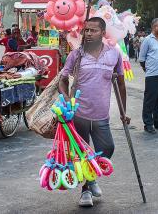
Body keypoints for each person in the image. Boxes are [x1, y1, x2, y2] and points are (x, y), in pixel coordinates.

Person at [59, 17, 129, 208]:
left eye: (93, 30)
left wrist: (124, 112)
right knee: (82, 154)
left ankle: (91, 179)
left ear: (102, 33)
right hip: (79, 114)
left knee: (107, 149)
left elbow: (120, 83)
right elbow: (62, 79)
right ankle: (86, 191)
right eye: (86, 30)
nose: (88, 34)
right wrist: (65, 97)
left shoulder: (114, 54)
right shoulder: (77, 55)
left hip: (101, 115)